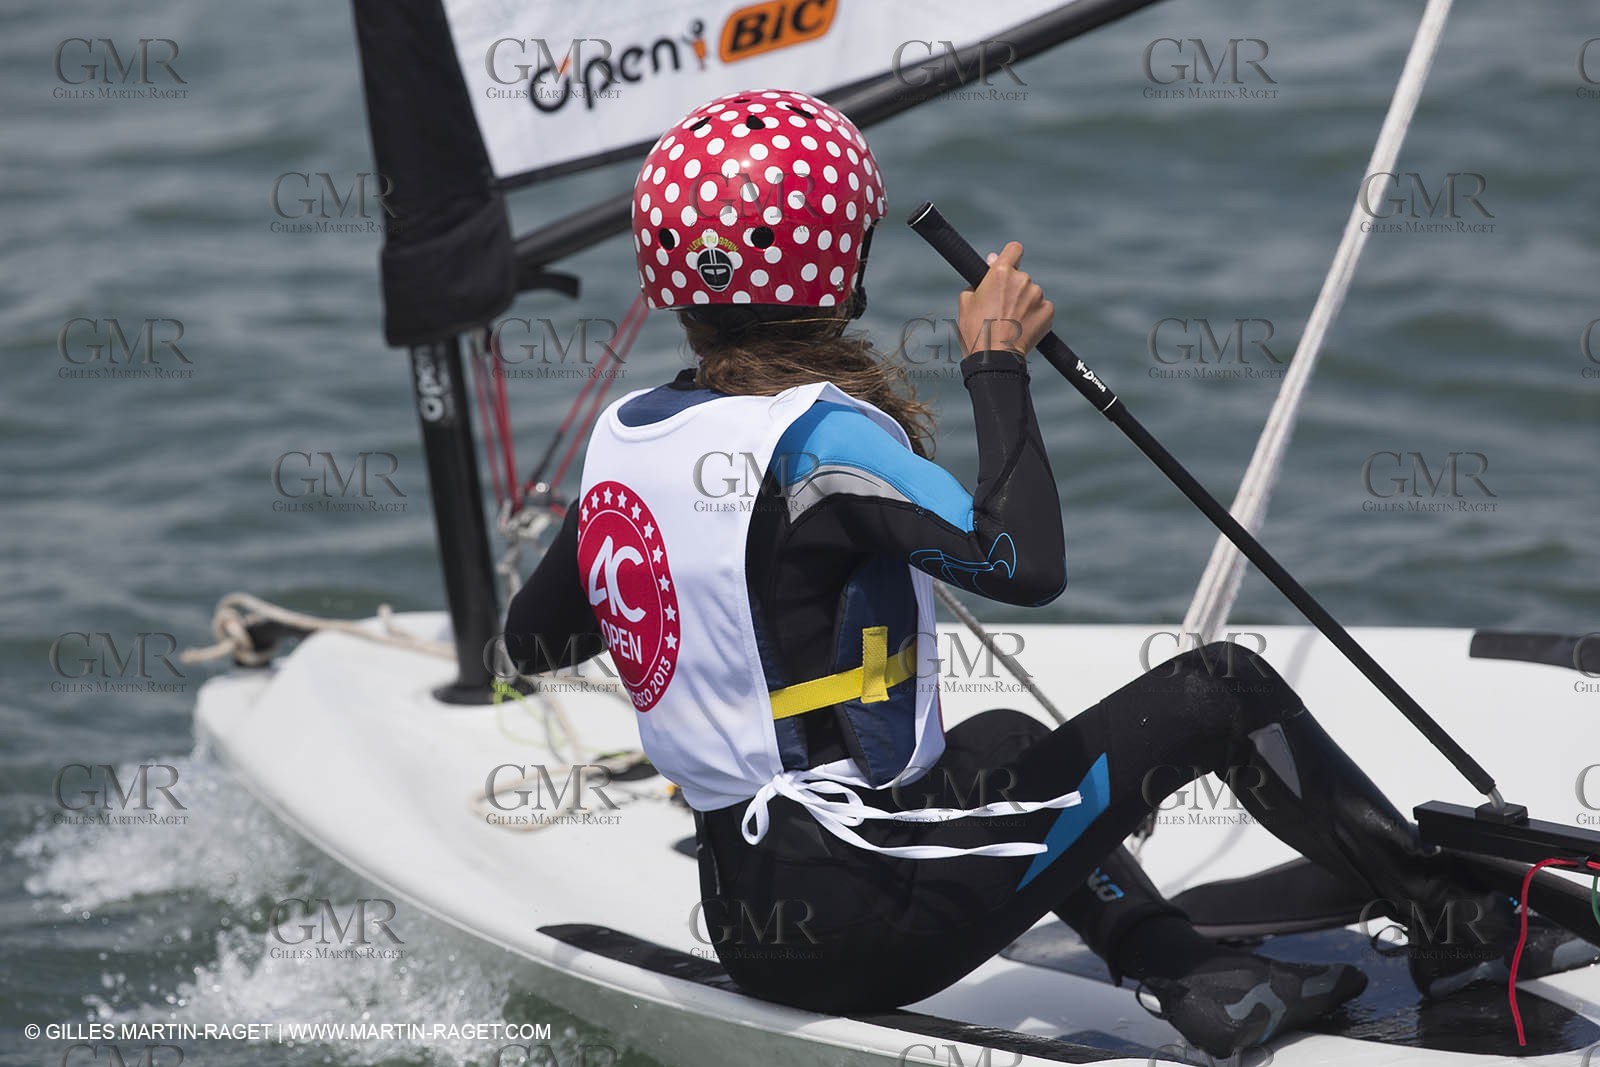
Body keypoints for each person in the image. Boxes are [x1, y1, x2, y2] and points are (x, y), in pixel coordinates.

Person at [505, 89, 1592, 1056]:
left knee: (999, 746)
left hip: (750, 911)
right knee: (1221, 687)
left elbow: (539, 643)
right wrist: (993, 363)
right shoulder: (818, 436)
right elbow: (1023, 564)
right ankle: (1461, 928)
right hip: (865, 912)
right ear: (840, 262)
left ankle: (1188, 972)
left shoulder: (628, 435)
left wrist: (713, 617)